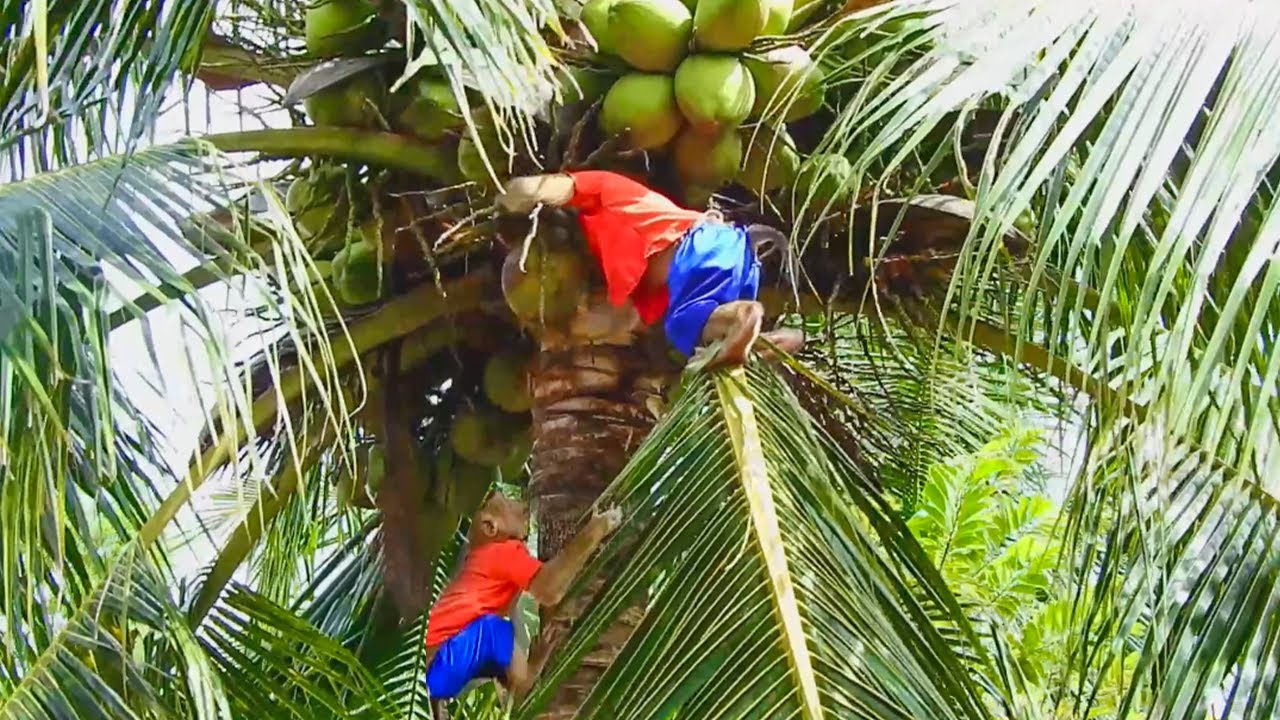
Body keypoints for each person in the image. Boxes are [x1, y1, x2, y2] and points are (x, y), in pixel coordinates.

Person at [495, 171, 804, 367]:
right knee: (703, 335)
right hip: (731, 254)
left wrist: (510, 195)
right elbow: (627, 318)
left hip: (700, 248)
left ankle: (744, 315)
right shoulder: (641, 286)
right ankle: (775, 338)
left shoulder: (601, 193)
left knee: (684, 325)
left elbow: (552, 187)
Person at [425, 493, 621, 713]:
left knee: (495, 630)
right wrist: (593, 533)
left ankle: (523, 679)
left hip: (434, 671)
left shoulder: (479, 561)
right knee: (494, 629)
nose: (521, 504)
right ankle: (524, 679)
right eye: (510, 501)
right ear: (491, 527)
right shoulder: (501, 551)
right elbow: (549, 590)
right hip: (442, 665)